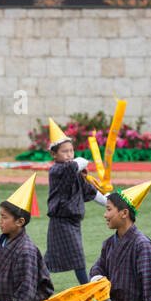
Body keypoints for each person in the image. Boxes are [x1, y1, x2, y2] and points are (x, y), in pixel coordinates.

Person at [45, 119, 105, 285]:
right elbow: (75, 165)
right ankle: (88, 290)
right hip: (61, 220)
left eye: (71, 151)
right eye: (64, 152)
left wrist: (109, 201)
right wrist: (79, 162)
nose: (69, 155)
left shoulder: (74, 172)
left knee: (51, 259)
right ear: (54, 155)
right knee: (78, 257)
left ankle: (35, 280)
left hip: (73, 221)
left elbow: (90, 192)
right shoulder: (57, 170)